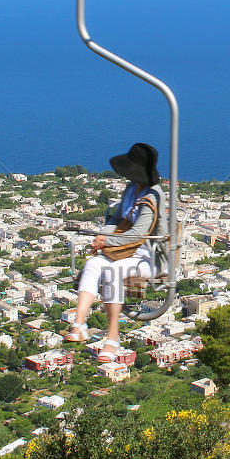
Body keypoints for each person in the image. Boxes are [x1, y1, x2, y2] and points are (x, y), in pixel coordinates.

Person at [63, 142, 162, 355]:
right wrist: (102, 236)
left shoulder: (153, 196)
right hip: (123, 251)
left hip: (148, 256)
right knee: (92, 264)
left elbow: (139, 234)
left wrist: (106, 242)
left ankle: (113, 337)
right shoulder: (130, 190)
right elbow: (118, 219)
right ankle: (79, 325)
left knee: (112, 271)